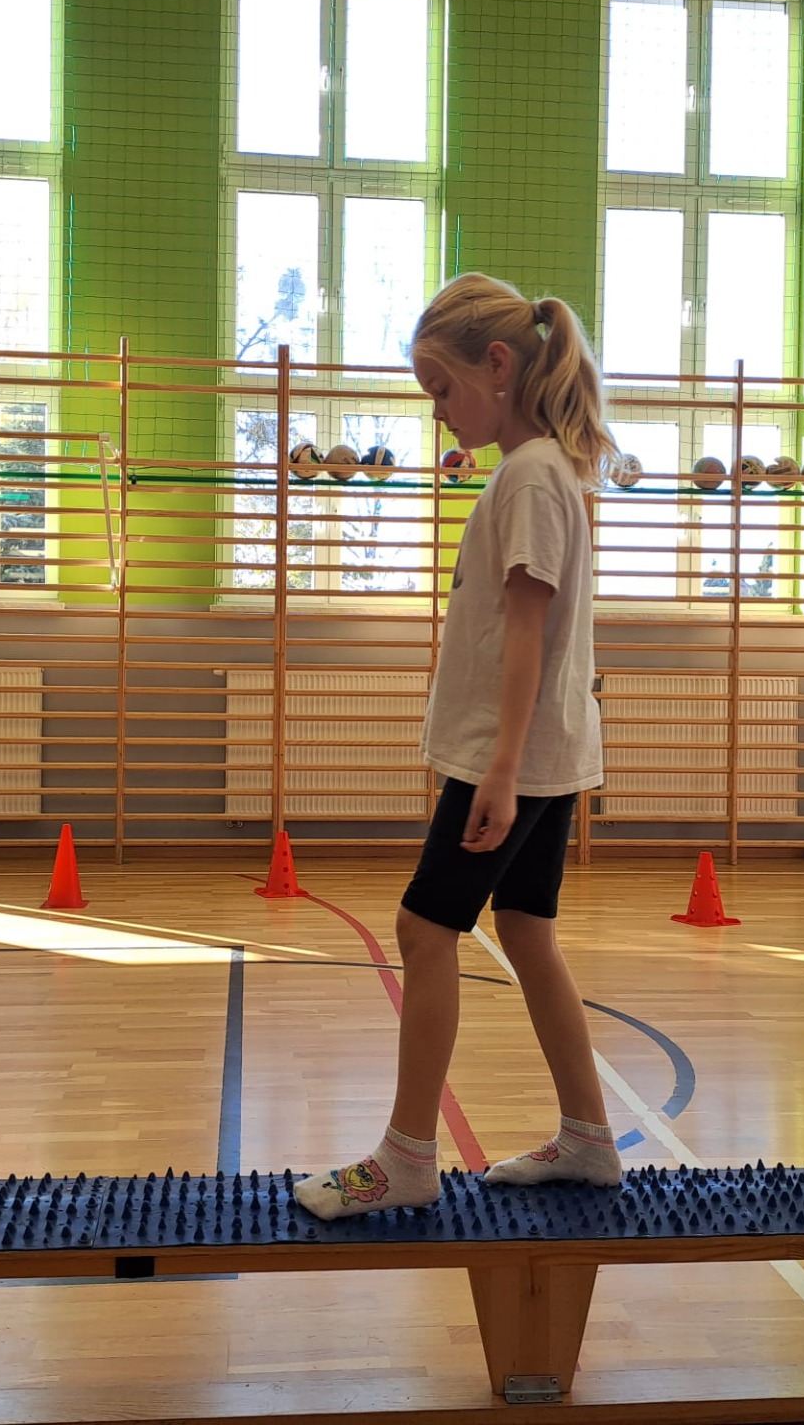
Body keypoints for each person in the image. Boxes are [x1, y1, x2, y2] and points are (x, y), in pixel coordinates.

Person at [294, 274, 620, 1219]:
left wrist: (500, 770)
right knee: (525, 931)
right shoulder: (540, 471)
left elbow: (527, 630)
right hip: (542, 754)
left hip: (511, 760)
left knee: (425, 931)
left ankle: (406, 1157)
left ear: (499, 365)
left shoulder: (529, 476)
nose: (437, 411)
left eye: (442, 388)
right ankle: (589, 1136)